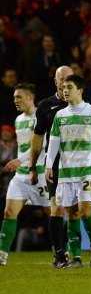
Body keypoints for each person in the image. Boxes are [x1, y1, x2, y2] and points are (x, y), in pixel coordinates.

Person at [45, 74, 91, 268]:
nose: (65, 90)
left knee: (85, 211)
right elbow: (53, 143)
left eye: (70, 87)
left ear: (80, 90)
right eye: (64, 87)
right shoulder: (60, 116)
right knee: (71, 213)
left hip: (89, 169)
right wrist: (49, 165)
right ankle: (75, 258)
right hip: (67, 171)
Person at [0, 83, 49, 266]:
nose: (15, 101)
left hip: (40, 174)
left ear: (30, 97)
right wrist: (19, 162)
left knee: (53, 215)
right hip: (21, 176)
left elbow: (42, 146)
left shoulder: (41, 117)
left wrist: (20, 160)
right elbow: (23, 147)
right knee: (9, 212)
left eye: (19, 97)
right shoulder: (18, 120)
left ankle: (62, 250)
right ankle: (2, 254)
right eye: (14, 98)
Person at [30, 65, 73, 268]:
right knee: (56, 208)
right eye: (62, 78)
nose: (65, 82)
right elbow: (37, 138)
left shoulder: (83, 105)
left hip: (79, 163)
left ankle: (75, 252)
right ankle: (59, 255)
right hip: (55, 164)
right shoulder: (46, 106)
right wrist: (32, 166)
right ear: (55, 81)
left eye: (69, 78)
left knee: (76, 210)